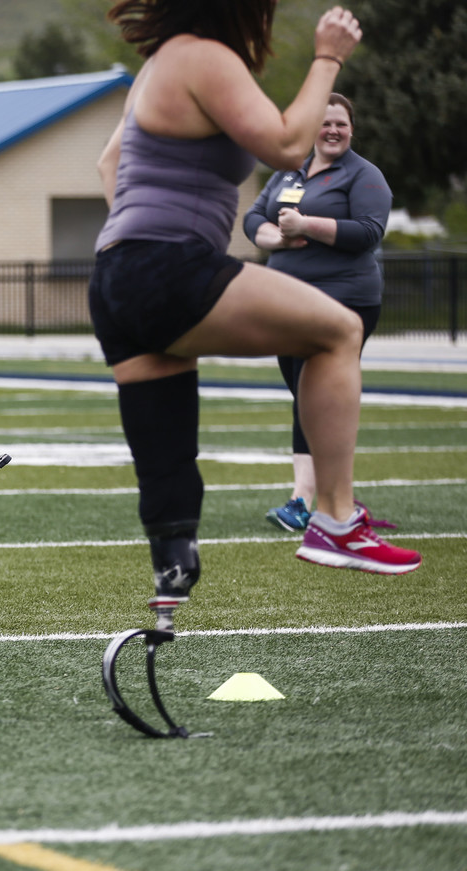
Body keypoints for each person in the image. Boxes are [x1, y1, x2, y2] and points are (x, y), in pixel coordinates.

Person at [88, 1, 421, 632]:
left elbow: (110, 164)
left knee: (168, 459)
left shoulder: (160, 64)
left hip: (114, 277)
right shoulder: (202, 56)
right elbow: (288, 143)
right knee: (340, 331)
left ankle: (170, 570)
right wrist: (328, 55)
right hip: (164, 268)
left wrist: (136, 248)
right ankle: (336, 520)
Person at [243, 93, 396, 533]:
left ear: (352, 130)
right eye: (324, 123)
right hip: (288, 298)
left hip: (343, 299)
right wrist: (274, 238)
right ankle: (336, 495)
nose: (332, 131)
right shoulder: (290, 171)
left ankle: (303, 501)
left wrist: (307, 225)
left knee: (313, 391)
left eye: (341, 125)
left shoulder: (365, 175)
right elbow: (254, 216)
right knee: (303, 394)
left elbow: (368, 232)